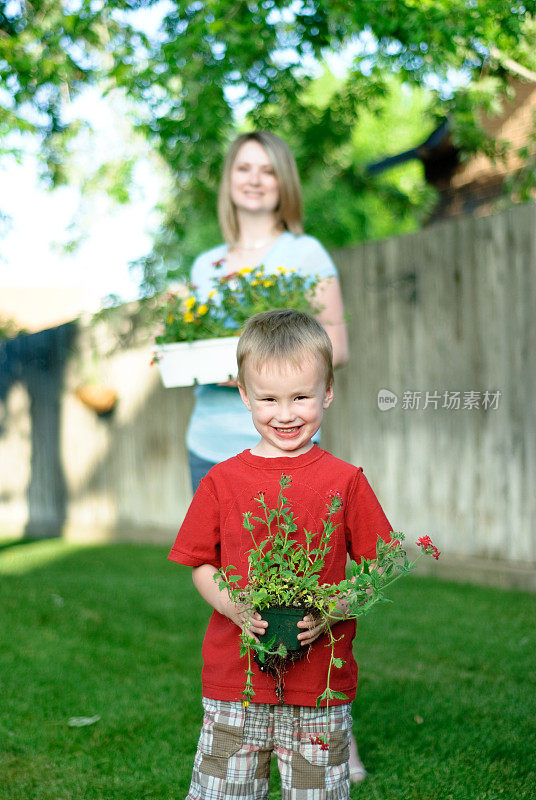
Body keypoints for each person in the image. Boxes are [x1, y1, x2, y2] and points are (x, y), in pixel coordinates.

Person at [183, 130, 368, 783]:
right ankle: (241, 718)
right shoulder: (207, 265)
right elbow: (200, 348)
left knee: (305, 577)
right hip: (212, 437)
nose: (254, 179)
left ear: (283, 181)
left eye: (267, 169)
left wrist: (268, 356)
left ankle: (323, 720)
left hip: (279, 437)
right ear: (229, 180)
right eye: (243, 167)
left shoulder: (304, 251)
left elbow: (332, 345)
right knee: (235, 584)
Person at [168, 309, 393, 800]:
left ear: (328, 392)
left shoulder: (346, 481)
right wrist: (234, 606)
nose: (285, 414)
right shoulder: (222, 481)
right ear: (244, 395)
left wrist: (332, 609)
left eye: (301, 397)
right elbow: (202, 564)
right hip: (235, 683)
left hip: (320, 688)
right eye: (268, 399)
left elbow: (380, 567)